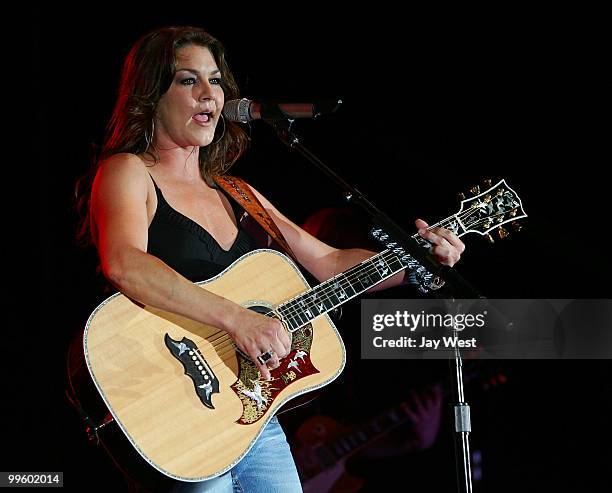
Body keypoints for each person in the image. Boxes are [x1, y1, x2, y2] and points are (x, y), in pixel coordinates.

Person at [75, 25, 465, 493]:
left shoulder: (238, 193)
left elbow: (331, 260)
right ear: (150, 93)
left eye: (216, 81)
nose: (208, 94)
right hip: (173, 406)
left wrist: (417, 259)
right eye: (187, 80)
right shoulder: (127, 172)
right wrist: (236, 319)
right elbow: (123, 263)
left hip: (249, 409)